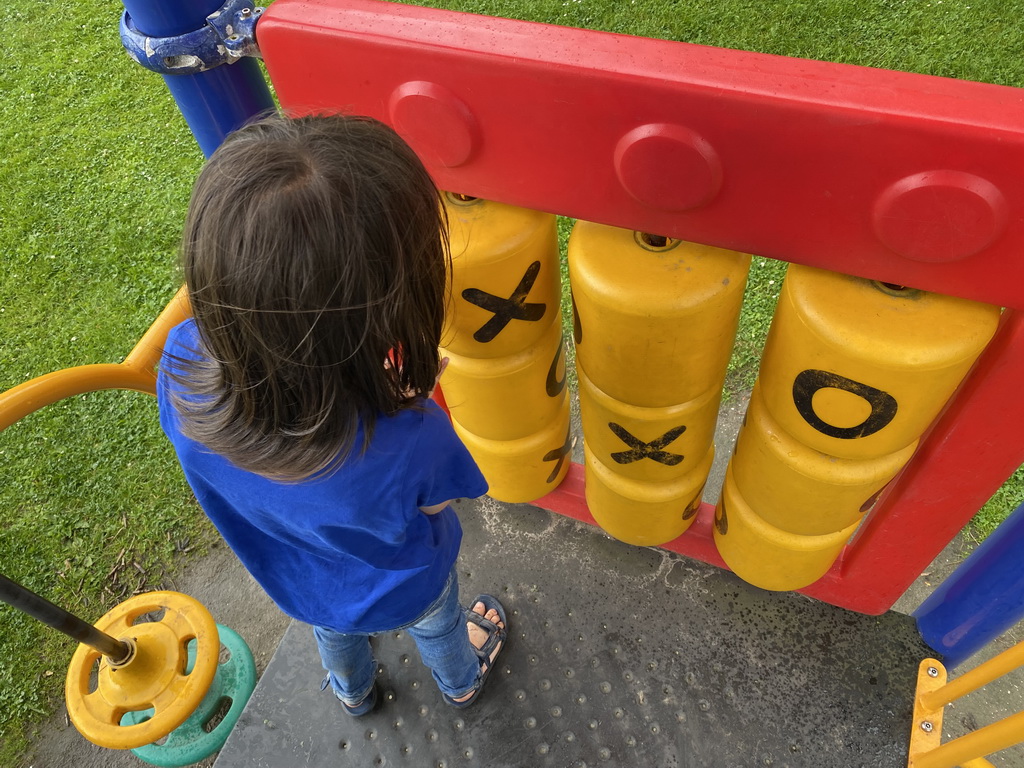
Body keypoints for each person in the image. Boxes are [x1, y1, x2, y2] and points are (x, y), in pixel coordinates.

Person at [156, 113, 506, 717]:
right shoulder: (412, 437)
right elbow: (436, 511)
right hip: (408, 587)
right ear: (390, 303)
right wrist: (400, 399)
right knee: (439, 626)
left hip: (300, 586)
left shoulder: (180, 365)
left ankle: (353, 691)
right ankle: (460, 680)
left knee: (334, 636)